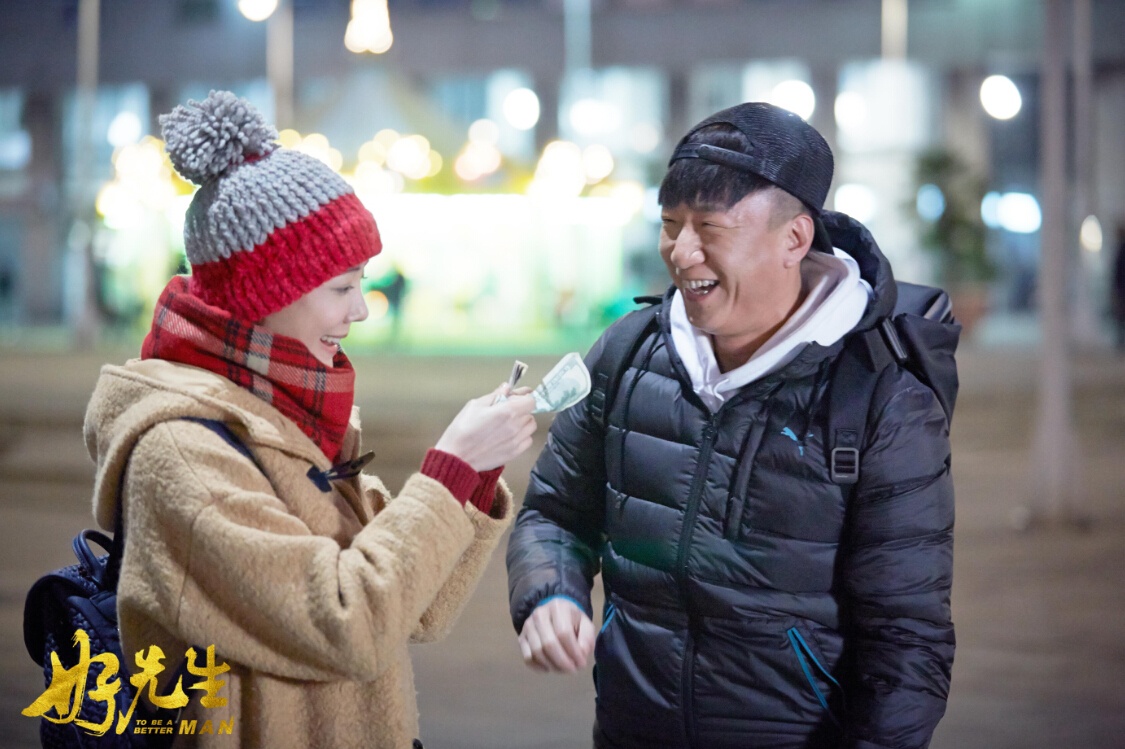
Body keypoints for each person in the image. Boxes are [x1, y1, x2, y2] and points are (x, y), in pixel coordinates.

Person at [84, 91, 536, 748]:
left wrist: (472, 470)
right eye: (341, 287)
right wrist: (447, 470)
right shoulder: (180, 450)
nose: (361, 310)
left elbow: (419, 604)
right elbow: (351, 622)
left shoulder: (288, 415)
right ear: (263, 293)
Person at [507, 102, 955, 749]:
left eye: (709, 227)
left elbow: (905, 637)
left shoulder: (878, 394)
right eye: (669, 225)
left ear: (793, 239)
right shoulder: (630, 353)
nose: (681, 250)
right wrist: (550, 591)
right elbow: (553, 511)